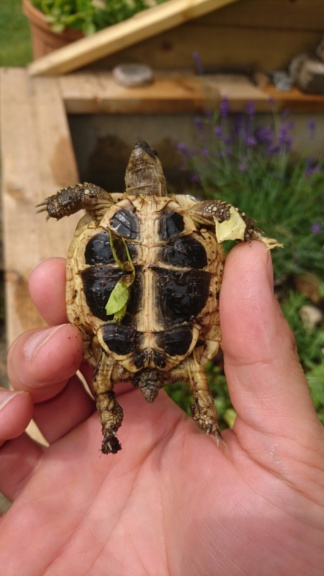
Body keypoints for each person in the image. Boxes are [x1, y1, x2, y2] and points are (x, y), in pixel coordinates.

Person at [0, 242, 323, 576]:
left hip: (121, 343)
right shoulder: (186, 363)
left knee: (101, 375)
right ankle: (121, 429)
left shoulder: (112, 365)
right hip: (171, 338)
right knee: (185, 376)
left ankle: (112, 430)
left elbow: (101, 376)